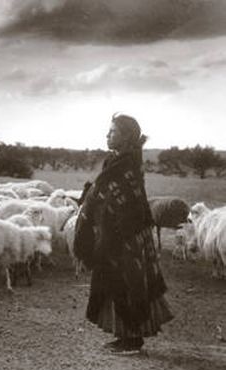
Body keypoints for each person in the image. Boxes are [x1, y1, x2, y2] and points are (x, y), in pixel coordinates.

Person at [74, 113, 173, 352]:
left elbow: (126, 201)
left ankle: (133, 338)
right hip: (115, 234)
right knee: (115, 281)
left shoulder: (127, 164)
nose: (107, 135)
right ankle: (125, 335)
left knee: (129, 283)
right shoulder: (115, 161)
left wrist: (95, 203)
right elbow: (103, 194)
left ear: (126, 136)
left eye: (113, 132)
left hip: (127, 235)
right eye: (108, 131)